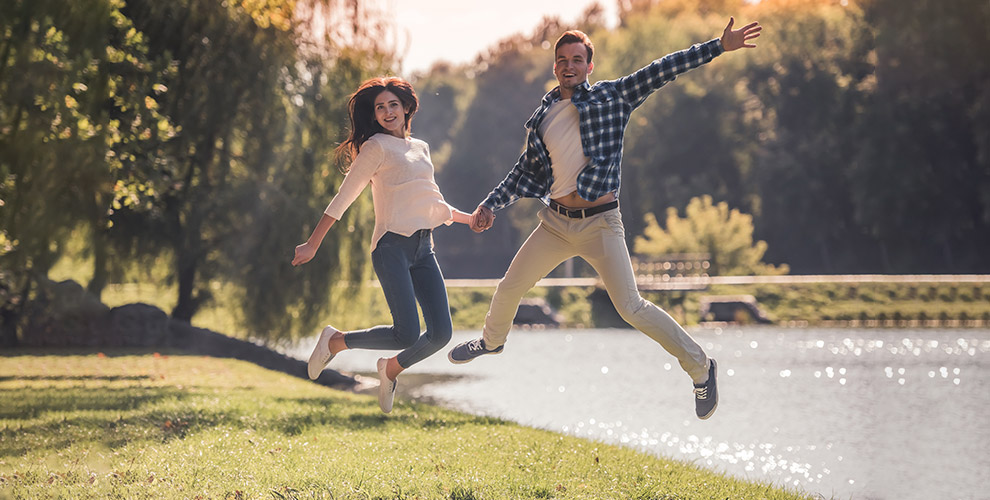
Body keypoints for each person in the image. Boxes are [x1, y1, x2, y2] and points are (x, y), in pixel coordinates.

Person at [448, 18, 762, 420]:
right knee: (509, 287)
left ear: (588, 67)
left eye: (577, 60)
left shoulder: (614, 97)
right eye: (561, 60)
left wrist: (717, 46)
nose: (568, 66)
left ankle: (701, 368)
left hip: (600, 224)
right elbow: (524, 171)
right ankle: (492, 342)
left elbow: (664, 68)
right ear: (555, 66)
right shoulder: (542, 115)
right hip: (556, 225)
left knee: (631, 307)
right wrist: (491, 205)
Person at [293, 76, 476, 413]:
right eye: (380, 107)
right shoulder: (375, 147)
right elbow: (343, 198)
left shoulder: (420, 148)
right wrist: (312, 243)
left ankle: (391, 368)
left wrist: (470, 219)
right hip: (391, 247)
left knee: (440, 334)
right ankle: (335, 341)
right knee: (406, 333)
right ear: (374, 115)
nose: (387, 112)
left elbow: (432, 202)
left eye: (393, 105)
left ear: (407, 108)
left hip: (424, 247)